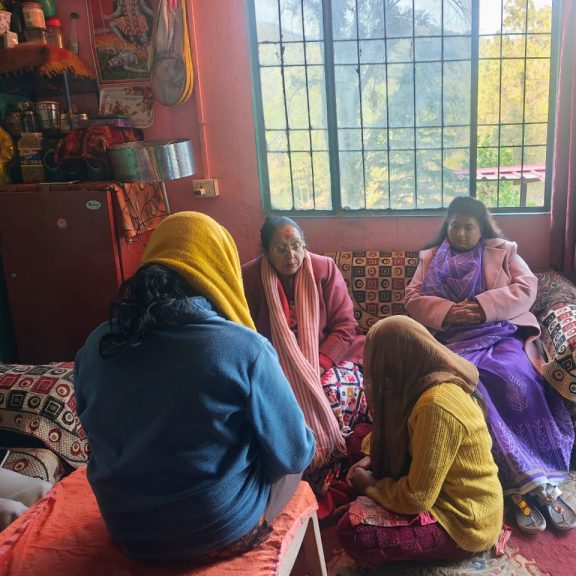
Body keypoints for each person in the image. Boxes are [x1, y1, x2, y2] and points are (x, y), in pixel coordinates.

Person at [74, 212, 315, 562]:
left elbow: (94, 432)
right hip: (216, 530)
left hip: (128, 530)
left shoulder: (95, 345)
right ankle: (253, 524)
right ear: (220, 271)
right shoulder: (244, 348)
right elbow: (294, 453)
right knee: (297, 450)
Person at [404, 196, 576, 535]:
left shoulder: (504, 251)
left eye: (468, 227)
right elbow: (412, 297)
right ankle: (514, 483)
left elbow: (527, 287)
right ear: (447, 226)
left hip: (499, 334)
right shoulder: (430, 257)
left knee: (515, 378)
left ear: (481, 228)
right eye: (455, 226)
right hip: (452, 341)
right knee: (473, 385)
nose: (461, 233)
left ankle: (541, 477)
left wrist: (483, 306)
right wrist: (448, 312)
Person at [339, 315, 503, 564]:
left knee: (354, 533)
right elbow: (395, 430)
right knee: (359, 439)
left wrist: (369, 486)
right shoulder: (422, 379)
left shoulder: (436, 406)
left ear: (396, 367)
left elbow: (417, 498)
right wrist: (370, 458)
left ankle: (445, 549)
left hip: (462, 519)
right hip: (435, 487)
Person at [242, 216, 371, 503]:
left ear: (304, 245)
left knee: (330, 394)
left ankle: (331, 464)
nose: (291, 255)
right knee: (278, 403)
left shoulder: (324, 269)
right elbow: (246, 330)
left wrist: (319, 364)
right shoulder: (250, 277)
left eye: (296, 246)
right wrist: (278, 368)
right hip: (276, 365)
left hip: (331, 359)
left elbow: (346, 327)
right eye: (281, 248)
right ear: (266, 251)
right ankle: (297, 471)